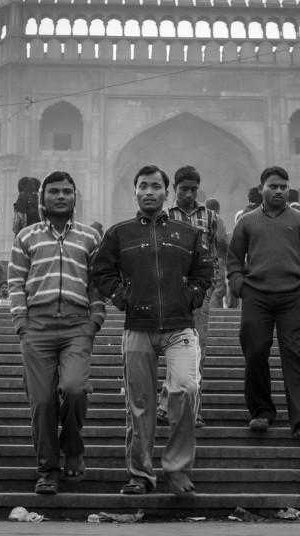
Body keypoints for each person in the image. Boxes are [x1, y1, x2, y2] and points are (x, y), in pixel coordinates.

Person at [91, 164, 214, 497]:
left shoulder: (187, 234)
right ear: (134, 192)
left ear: (167, 192)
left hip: (180, 326)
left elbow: (205, 272)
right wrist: (122, 296)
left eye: (155, 186)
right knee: (140, 405)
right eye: (143, 186)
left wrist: (191, 295)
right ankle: (141, 474)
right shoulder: (119, 233)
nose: (149, 192)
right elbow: (101, 271)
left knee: (187, 389)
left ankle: (176, 468)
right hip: (138, 326)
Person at [8, 171, 106, 495]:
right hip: (37, 325)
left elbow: (96, 284)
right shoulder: (26, 237)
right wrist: (21, 321)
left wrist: (95, 319)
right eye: (54, 191)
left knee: (75, 388)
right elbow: (16, 283)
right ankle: (48, 470)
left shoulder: (90, 238)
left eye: (67, 191)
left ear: (75, 197)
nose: (61, 196)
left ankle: (72, 446)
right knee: (42, 400)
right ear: (43, 198)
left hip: (77, 325)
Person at [226, 166, 300, 438]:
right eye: (273, 186)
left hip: (292, 295)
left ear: (288, 189)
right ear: (261, 190)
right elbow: (234, 259)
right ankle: (261, 412)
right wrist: (238, 285)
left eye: (283, 186)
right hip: (256, 295)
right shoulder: (246, 222)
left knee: (295, 353)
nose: (278, 191)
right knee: (255, 351)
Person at [156, 165, 217, 428]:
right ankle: (167, 404)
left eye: (193, 189)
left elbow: (212, 252)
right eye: (184, 189)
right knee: (178, 347)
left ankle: (191, 410)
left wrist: (213, 281)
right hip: (172, 289)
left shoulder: (210, 217)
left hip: (200, 289)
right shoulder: (164, 216)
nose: (189, 194)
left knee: (197, 349)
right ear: (174, 190)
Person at [205, 198, 229, 309]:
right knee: (217, 290)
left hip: (204, 260)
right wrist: (228, 246)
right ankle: (213, 319)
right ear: (218, 209)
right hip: (218, 258)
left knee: (209, 291)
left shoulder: (201, 218)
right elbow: (220, 239)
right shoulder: (216, 218)